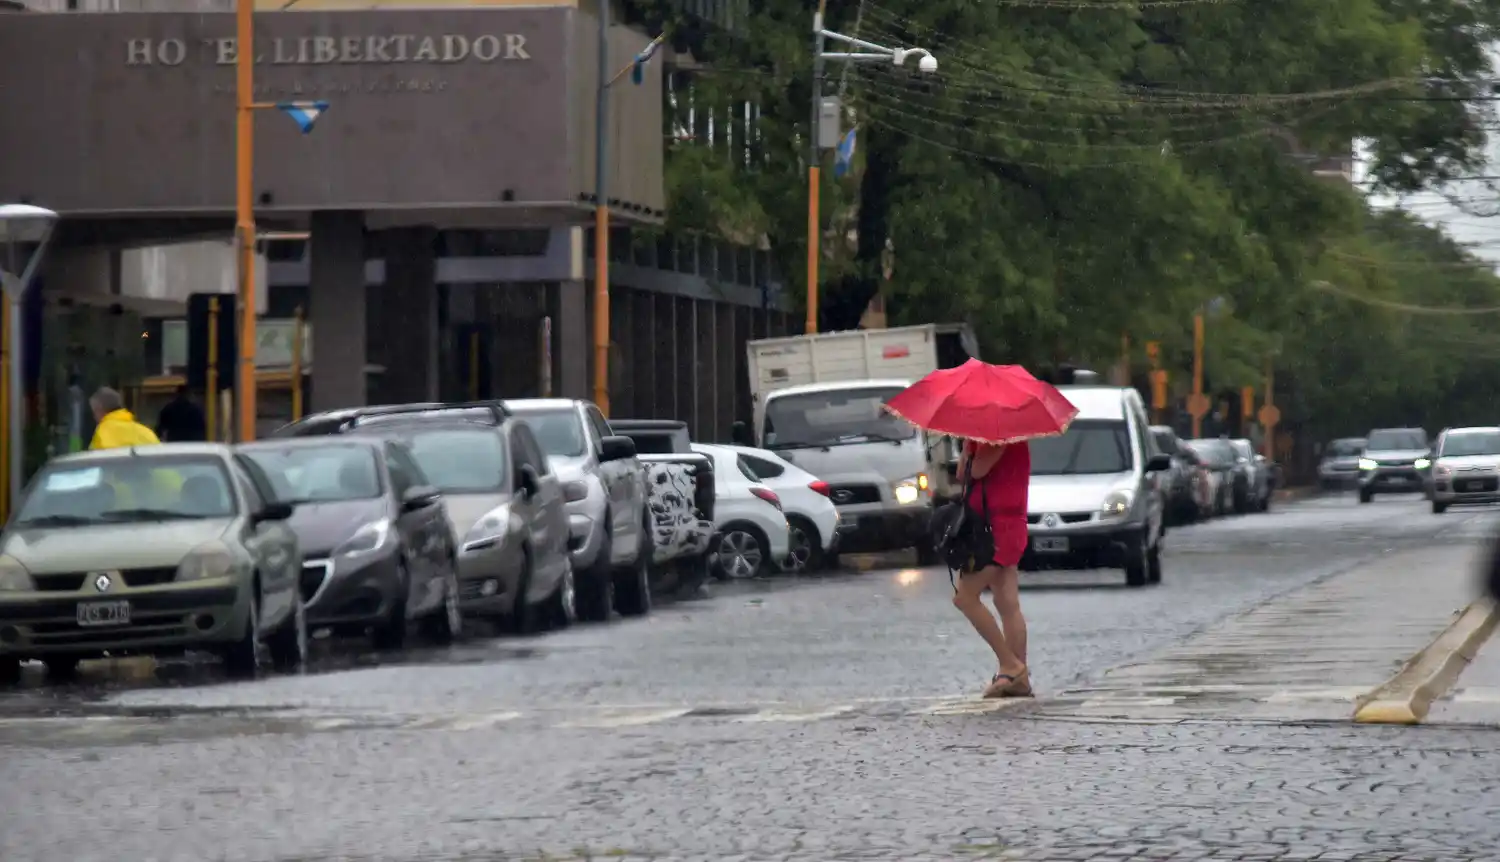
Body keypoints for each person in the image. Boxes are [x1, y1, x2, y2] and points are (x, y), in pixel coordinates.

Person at [952, 438, 1033, 699]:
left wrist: (968, 449)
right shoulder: (984, 438)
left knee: (965, 597)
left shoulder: (998, 437)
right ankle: (1016, 678)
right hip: (998, 525)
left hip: (996, 529)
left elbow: (975, 472)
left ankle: (1010, 665)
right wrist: (967, 448)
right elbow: (961, 474)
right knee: (1007, 601)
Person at [89, 387, 161, 450]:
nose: (94, 417)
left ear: (99, 409)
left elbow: (94, 462)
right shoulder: (146, 432)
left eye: (94, 412)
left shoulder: (102, 434)